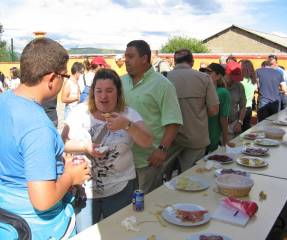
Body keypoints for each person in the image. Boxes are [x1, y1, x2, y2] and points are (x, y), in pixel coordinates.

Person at [0, 37, 90, 239]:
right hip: (38, 228)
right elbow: (42, 199)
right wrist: (70, 176)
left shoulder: (4, 100)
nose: (64, 80)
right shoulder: (38, 126)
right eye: (64, 76)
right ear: (51, 79)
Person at [62, 68, 153, 232]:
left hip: (120, 189)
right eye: (99, 91)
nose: (103, 96)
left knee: (119, 232)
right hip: (85, 192)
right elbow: (61, 143)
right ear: (92, 93)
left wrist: (127, 125)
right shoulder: (79, 112)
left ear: (118, 92)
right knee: (86, 234)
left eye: (109, 91)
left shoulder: (128, 114)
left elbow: (147, 142)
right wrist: (84, 147)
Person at [122, 40, 183, 193]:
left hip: (148, 161)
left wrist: (162, 149)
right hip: (123, 159)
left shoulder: (163, 85)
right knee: (124, 209)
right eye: (125, 56)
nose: (126, 60)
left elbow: (173, 122)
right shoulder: (120, 82)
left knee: (144, 204)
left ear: (144, 58)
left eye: (131, 56)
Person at [167, 49, 219, 172]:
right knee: (191, 178)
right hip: (196, 137)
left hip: (169, 138)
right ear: (192, 62)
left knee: (165, 180)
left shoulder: (164, 78)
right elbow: (213, 110)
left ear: (175, 62)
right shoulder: (204, 78)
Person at [200, 63, 232, 152]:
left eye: (209, 73)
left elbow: (224, 118)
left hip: (211, 136)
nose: (205, 75)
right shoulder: (201, 90)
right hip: (198, 137)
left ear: (218, 76)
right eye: (204, 72)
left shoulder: (222, 92)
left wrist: (225, 140)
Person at [225, 61, 246, 137]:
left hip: (233, 123)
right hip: (219, 125)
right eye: (233, 77)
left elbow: (243, 106)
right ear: (227, 74)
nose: (235, 80)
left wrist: (239, 122)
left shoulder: (239, 86)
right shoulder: (217, 85)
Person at [240, 60, 258, 131]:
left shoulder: (241, 81)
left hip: (241, 109)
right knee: (246, 130)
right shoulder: (253, 81)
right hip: (249, 108)